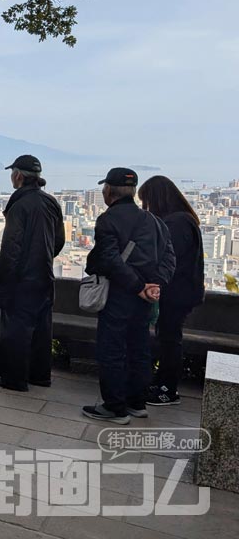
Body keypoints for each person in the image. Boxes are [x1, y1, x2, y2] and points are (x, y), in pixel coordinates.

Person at [82, 168, 176, 425]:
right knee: (139, 347)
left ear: (108, 191)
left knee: (112, 349)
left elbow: (110, 260)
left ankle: (114, 407)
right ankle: (136, 402)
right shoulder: (154, 221)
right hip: (144, 300)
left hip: (118, 296)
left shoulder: (107, 220)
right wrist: (154, 285)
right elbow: (169, 258)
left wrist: (136, 286)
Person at [0, 155, 65, 392]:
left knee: (15, 330)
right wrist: (42, 258)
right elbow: (59, 241)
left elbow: (11, 248)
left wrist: (4, 281)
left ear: (18, 176)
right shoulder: (51, 202)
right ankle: (40, 375)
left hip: (21, 279)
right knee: (42, 330)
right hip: (45, 276)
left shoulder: (19, 204)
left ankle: (14, 379)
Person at [139, 176, 205, 406]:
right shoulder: (185, 220)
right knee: (167, 338)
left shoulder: (177, 223)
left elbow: (168, 259)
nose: (146, 207)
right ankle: (163, 384)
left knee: (169, 340)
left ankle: (168, 389)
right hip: (183, 291)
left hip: (177, 293)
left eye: (146, 201)